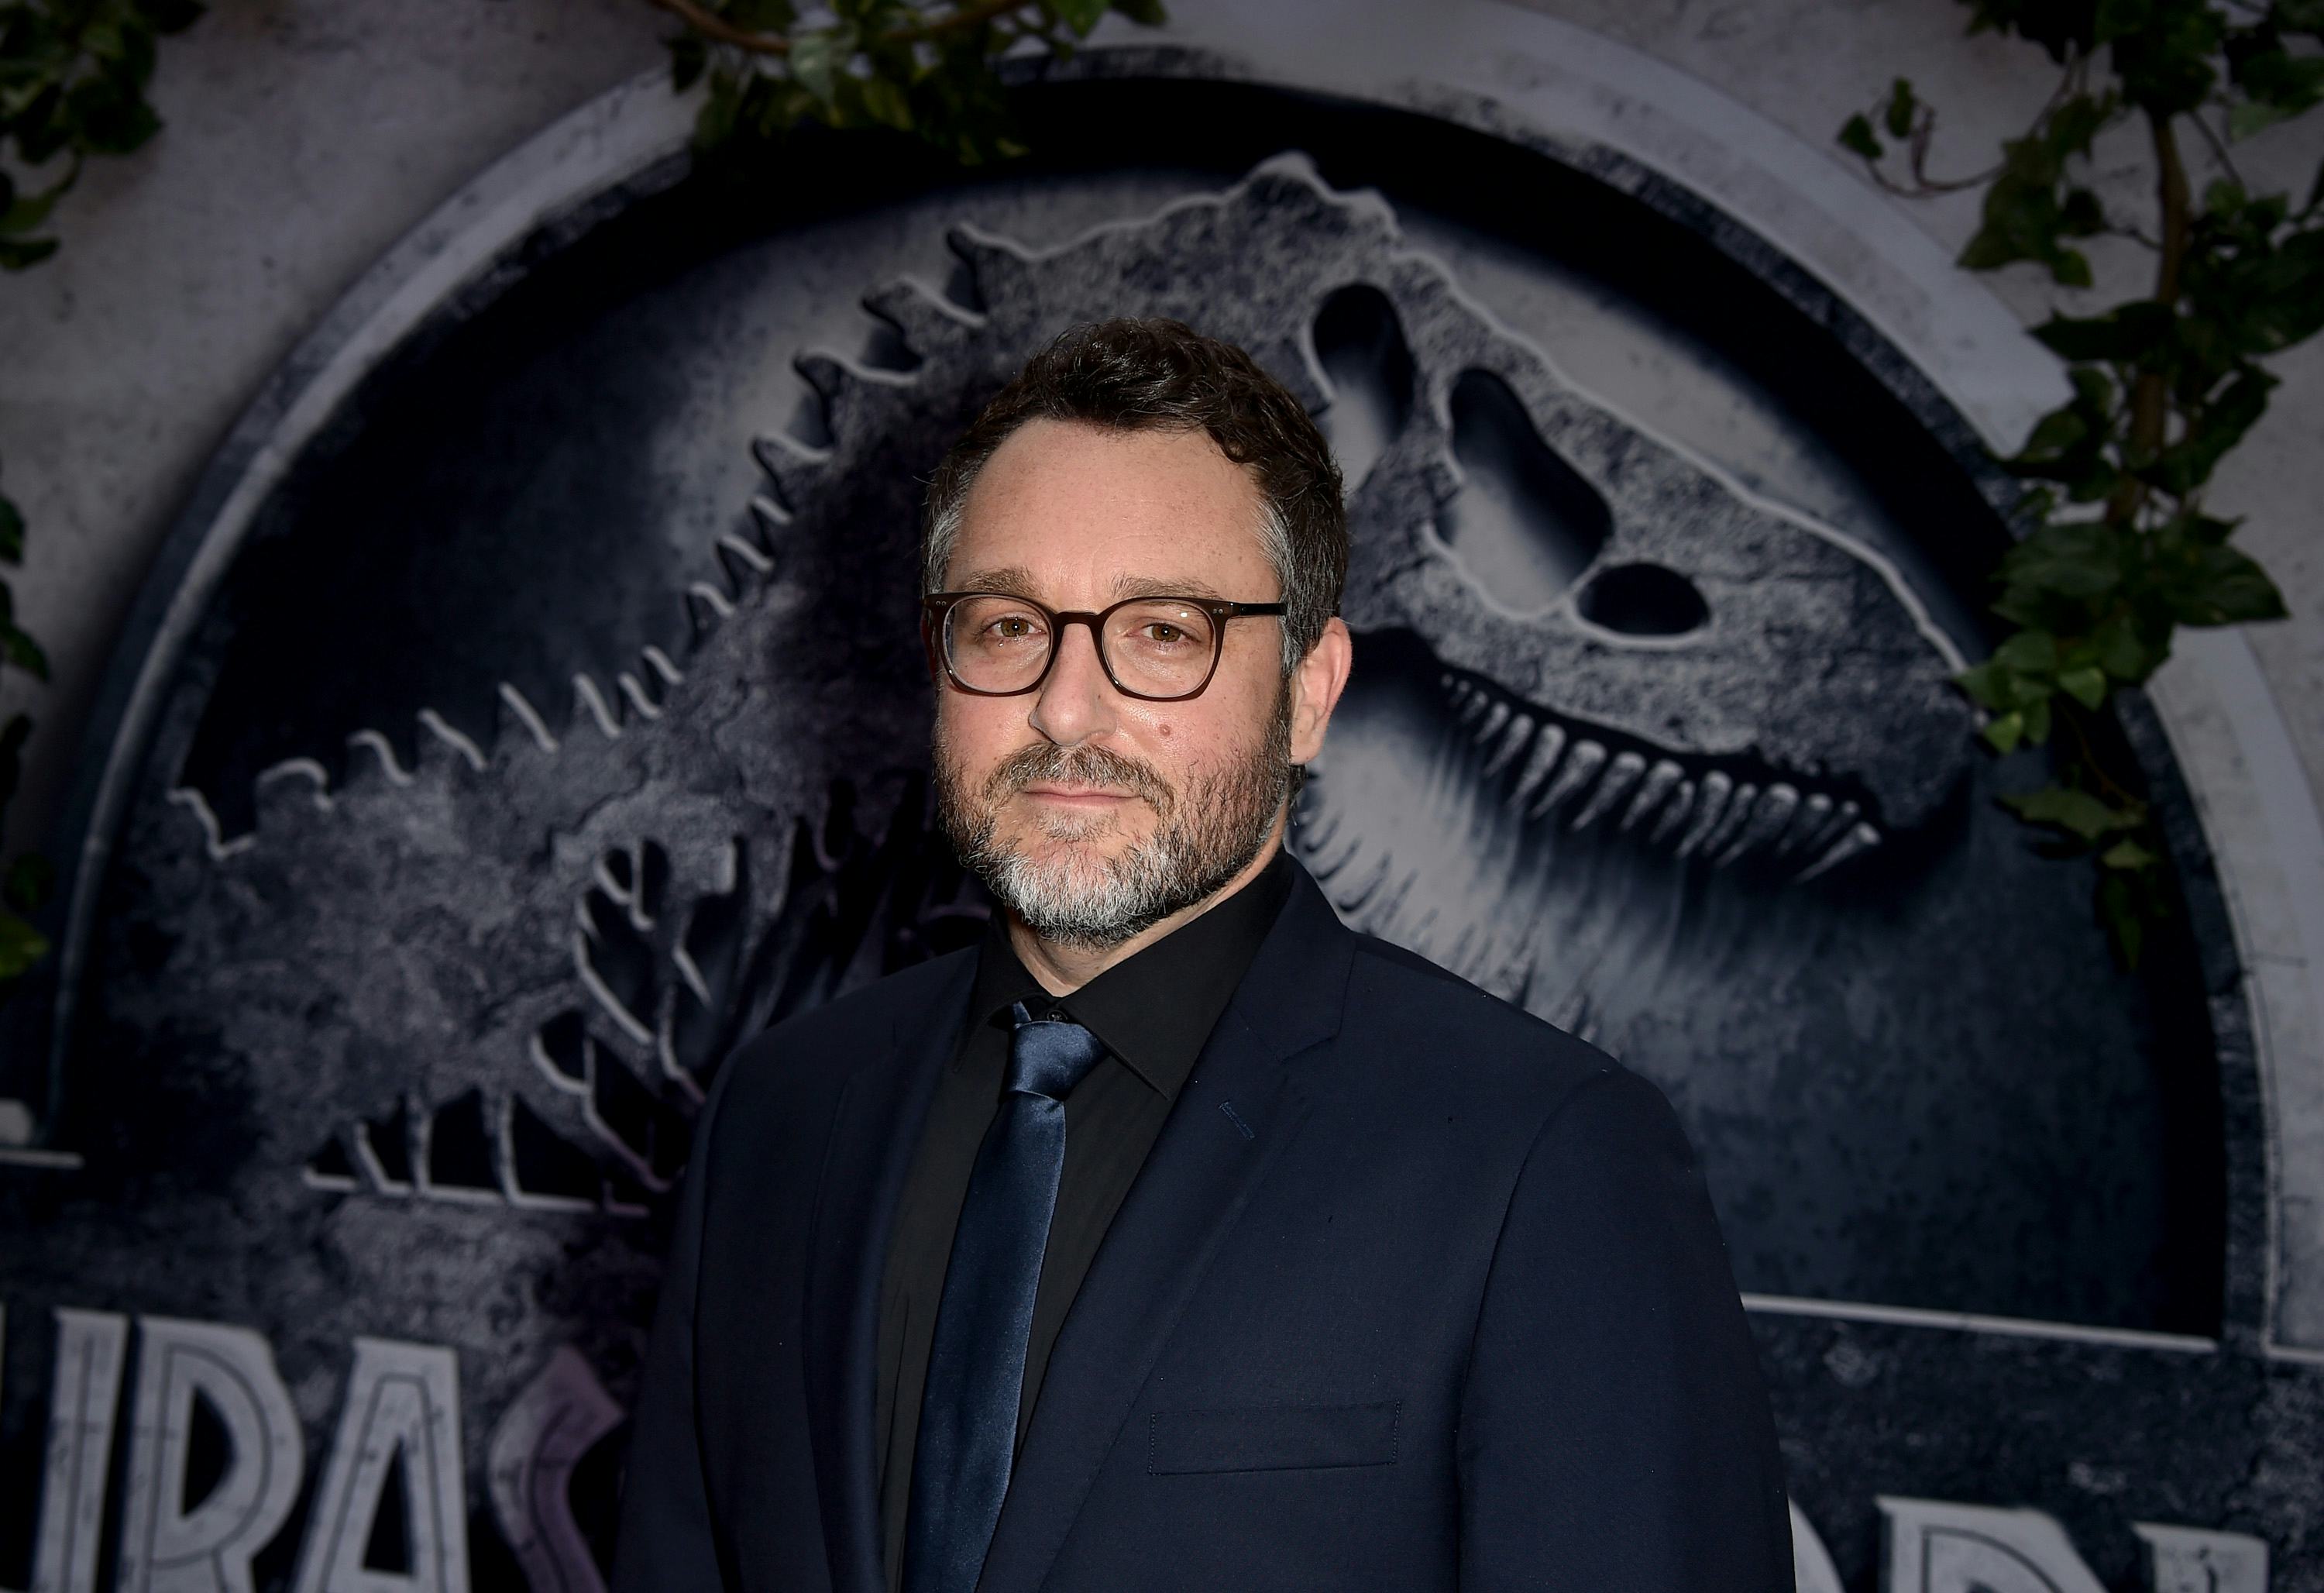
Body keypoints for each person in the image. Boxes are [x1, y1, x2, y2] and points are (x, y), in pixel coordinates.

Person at [610, 318, 1793, 1592]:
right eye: (1007, 625)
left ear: (1309, 693)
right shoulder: (778, 1115)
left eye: (1164, 632)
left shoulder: (1544, 1160)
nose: (1065, 708)